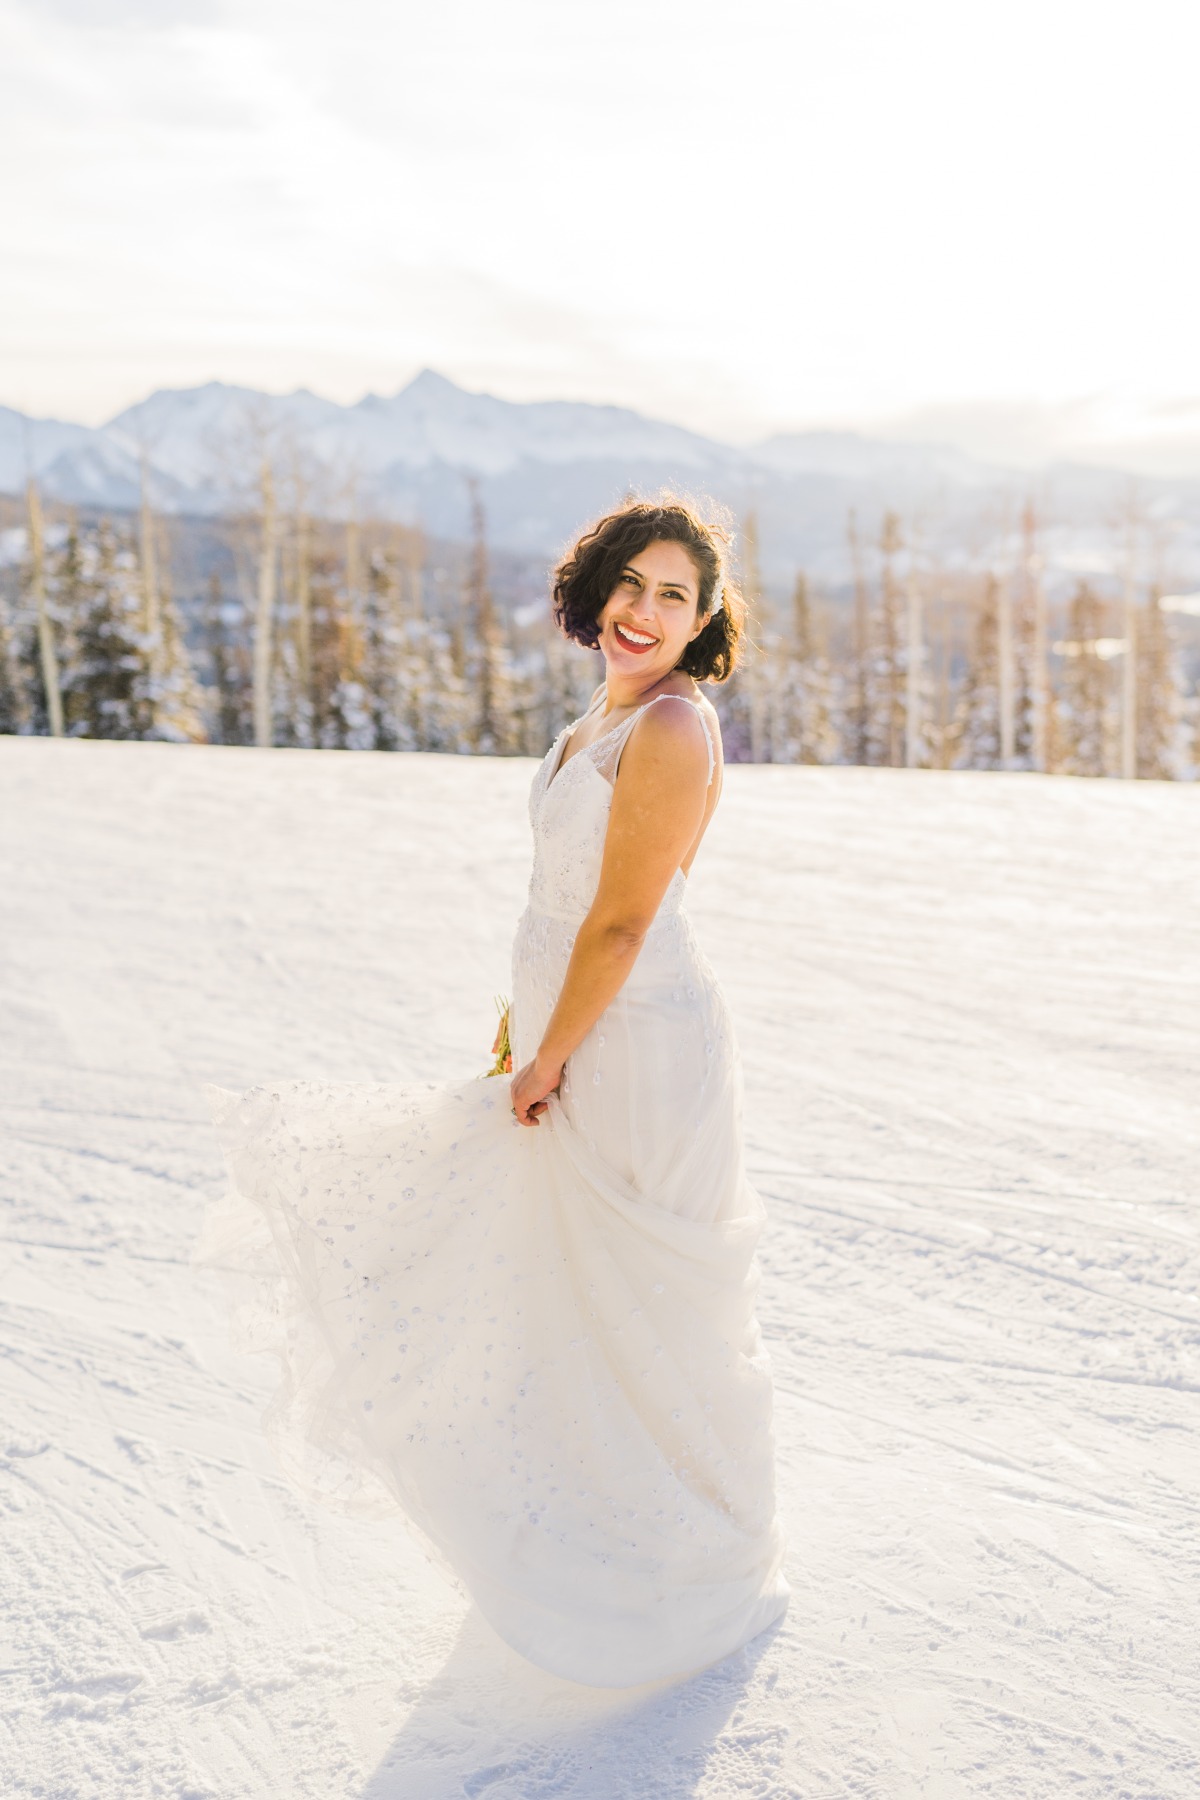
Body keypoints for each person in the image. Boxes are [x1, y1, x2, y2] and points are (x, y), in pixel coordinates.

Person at [194, 497, 789, 1689]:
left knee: (646, 1295)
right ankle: (608, 1527)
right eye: (633, 583)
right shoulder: (606, 711)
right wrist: (527, 1027)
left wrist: (553, 1055)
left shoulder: (672, 728)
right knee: (576, 1287)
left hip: (638, 1049)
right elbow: (572, 904)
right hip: (574, 1024)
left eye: (676, 595)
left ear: (705, 618)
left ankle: (701, 1556)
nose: (645, 611)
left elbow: (623, 923)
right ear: (597, 585)